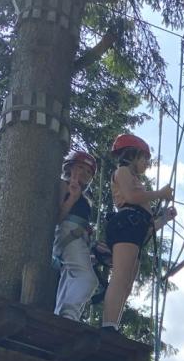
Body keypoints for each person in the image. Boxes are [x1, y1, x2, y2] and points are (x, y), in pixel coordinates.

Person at [100, 133, 176, 332]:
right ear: (132, 155)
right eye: (144, 159)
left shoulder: (134, 179)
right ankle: (108, 325)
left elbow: (147, 229)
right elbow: (132, 197)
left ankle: (112, 324)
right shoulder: (123, 171)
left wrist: (164, 219)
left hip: (135, 227)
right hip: (126, 223)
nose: (146, 164)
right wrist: (160, 193)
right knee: (121, 276)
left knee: (127, 282)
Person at [53, 149, 108, 321]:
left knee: (70, 276)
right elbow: (56, 218)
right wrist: (72, 198)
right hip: (68, 233)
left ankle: (62, 315)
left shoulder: (84, 196)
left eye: (88, 172)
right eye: (80, 167)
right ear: (69, 167)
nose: (84, 173)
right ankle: (68, 315)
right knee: (88, 279)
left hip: (77, 237)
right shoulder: (63, 185)